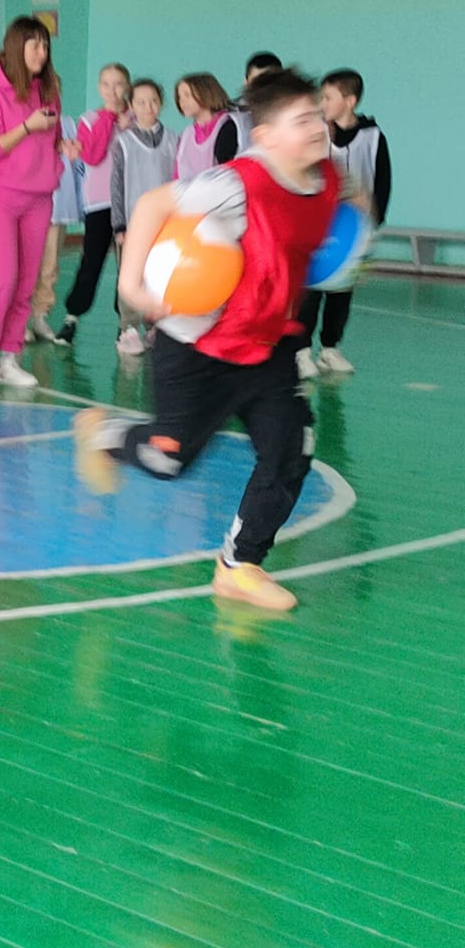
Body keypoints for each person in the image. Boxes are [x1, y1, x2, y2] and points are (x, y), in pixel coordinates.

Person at [75, 68, 345, 613]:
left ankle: (238, 566)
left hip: (268, 346)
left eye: (317, 114)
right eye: (302, 121)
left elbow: (332, 221)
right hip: (198, 347)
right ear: (267, 136)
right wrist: (131, 286)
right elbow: (153, 205)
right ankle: (104, 435)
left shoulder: (327, 179)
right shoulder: (236, 184)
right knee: (168, 461)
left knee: (292, 451)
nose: (316, 127)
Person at [0, 17, 75, 392]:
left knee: (27, 281)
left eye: (45, 46)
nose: (41, 53)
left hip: (38, 199)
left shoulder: (50, 92)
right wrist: (26, 127)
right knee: (4, 277)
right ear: (16, 49)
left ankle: (8, 358)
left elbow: (54, 136)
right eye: (34, 46)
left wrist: (63, 150)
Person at [296, 67, 391, 379]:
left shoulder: (373, 136)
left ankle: (330, 349)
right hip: (319, 227)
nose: (322, 103)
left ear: (349, 101)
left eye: (328, 97)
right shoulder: (318, 135)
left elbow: (382, 181)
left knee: (342, 292)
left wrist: (371, 221)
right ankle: (301, 351)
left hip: (353, 231)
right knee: (311, 292)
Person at [56, 63, 130, 344]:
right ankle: (71, 317)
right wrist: (109, 120)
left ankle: (126, 325)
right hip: (100, 203)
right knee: (91, 262)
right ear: (99, 88)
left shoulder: (136, 119)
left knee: (130, 268)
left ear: (127, 87)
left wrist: (129, 123)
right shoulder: (89, 120)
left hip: (131, 204)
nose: (113, 90)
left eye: (119, 84)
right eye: (107, 84)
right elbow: (94, 155)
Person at [109, 78, 178, 357]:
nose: (147, 107)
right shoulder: (123, 142)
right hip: (133, 222)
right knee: (130, 275)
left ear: (161, 103)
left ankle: (156, 326)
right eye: (140, 102)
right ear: (131, 107)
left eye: (153, 100)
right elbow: (116, 184)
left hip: (166, 223)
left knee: (160, 275)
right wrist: (119, 223)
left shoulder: (174, 139)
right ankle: (128, 328)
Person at [27, 138, 85, 345]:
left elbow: (77, 167)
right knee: (27, 266)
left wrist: (79, 203)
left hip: (59, 207)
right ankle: (19, 321)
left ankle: (40, 316)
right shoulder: (27, 119)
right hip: (30, 204)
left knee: (50, 267)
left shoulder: (68, 124)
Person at [174, 72, 241, 182]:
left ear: (205, 93)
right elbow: (177, 175)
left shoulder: (228, 127)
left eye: (187, 95)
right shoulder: (186, 135)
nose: (182, 102)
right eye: (179, 97)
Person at [231, 51, 282, 151]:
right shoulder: (231, 117)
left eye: (269, 80)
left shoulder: (293, 110)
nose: (262, 87)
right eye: (257, 81)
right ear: (246, 82)